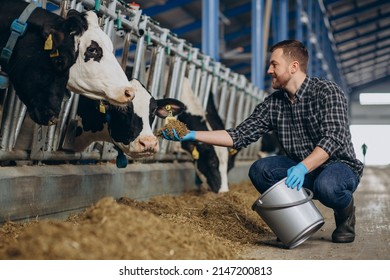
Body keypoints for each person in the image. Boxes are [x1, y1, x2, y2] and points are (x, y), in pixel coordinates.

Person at [162, 39, 364, 243]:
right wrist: (191, 134)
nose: (269, 70)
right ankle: (297, 220)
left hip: (339, 166)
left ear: (294, 67)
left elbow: (333, 138)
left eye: (274, 64)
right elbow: (238, 135)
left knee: (327, 186)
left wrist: (303, 167)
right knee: (260, 170)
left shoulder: (328, 92)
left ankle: (345, 215)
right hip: (300, 168)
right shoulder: (273, 104)